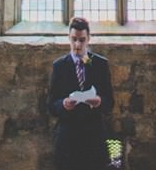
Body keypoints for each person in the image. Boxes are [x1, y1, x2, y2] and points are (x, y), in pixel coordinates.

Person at [47, 16, 114, 170]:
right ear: (68, 38)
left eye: (82, 40)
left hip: (93, 135)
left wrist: (99, 101)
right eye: (73, 39)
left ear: (89, 39)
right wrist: (63, 104)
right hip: (67, 137)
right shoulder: (59, 66)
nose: (77, 45)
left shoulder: (100, 64)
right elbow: (51, 105)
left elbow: (109, 102)